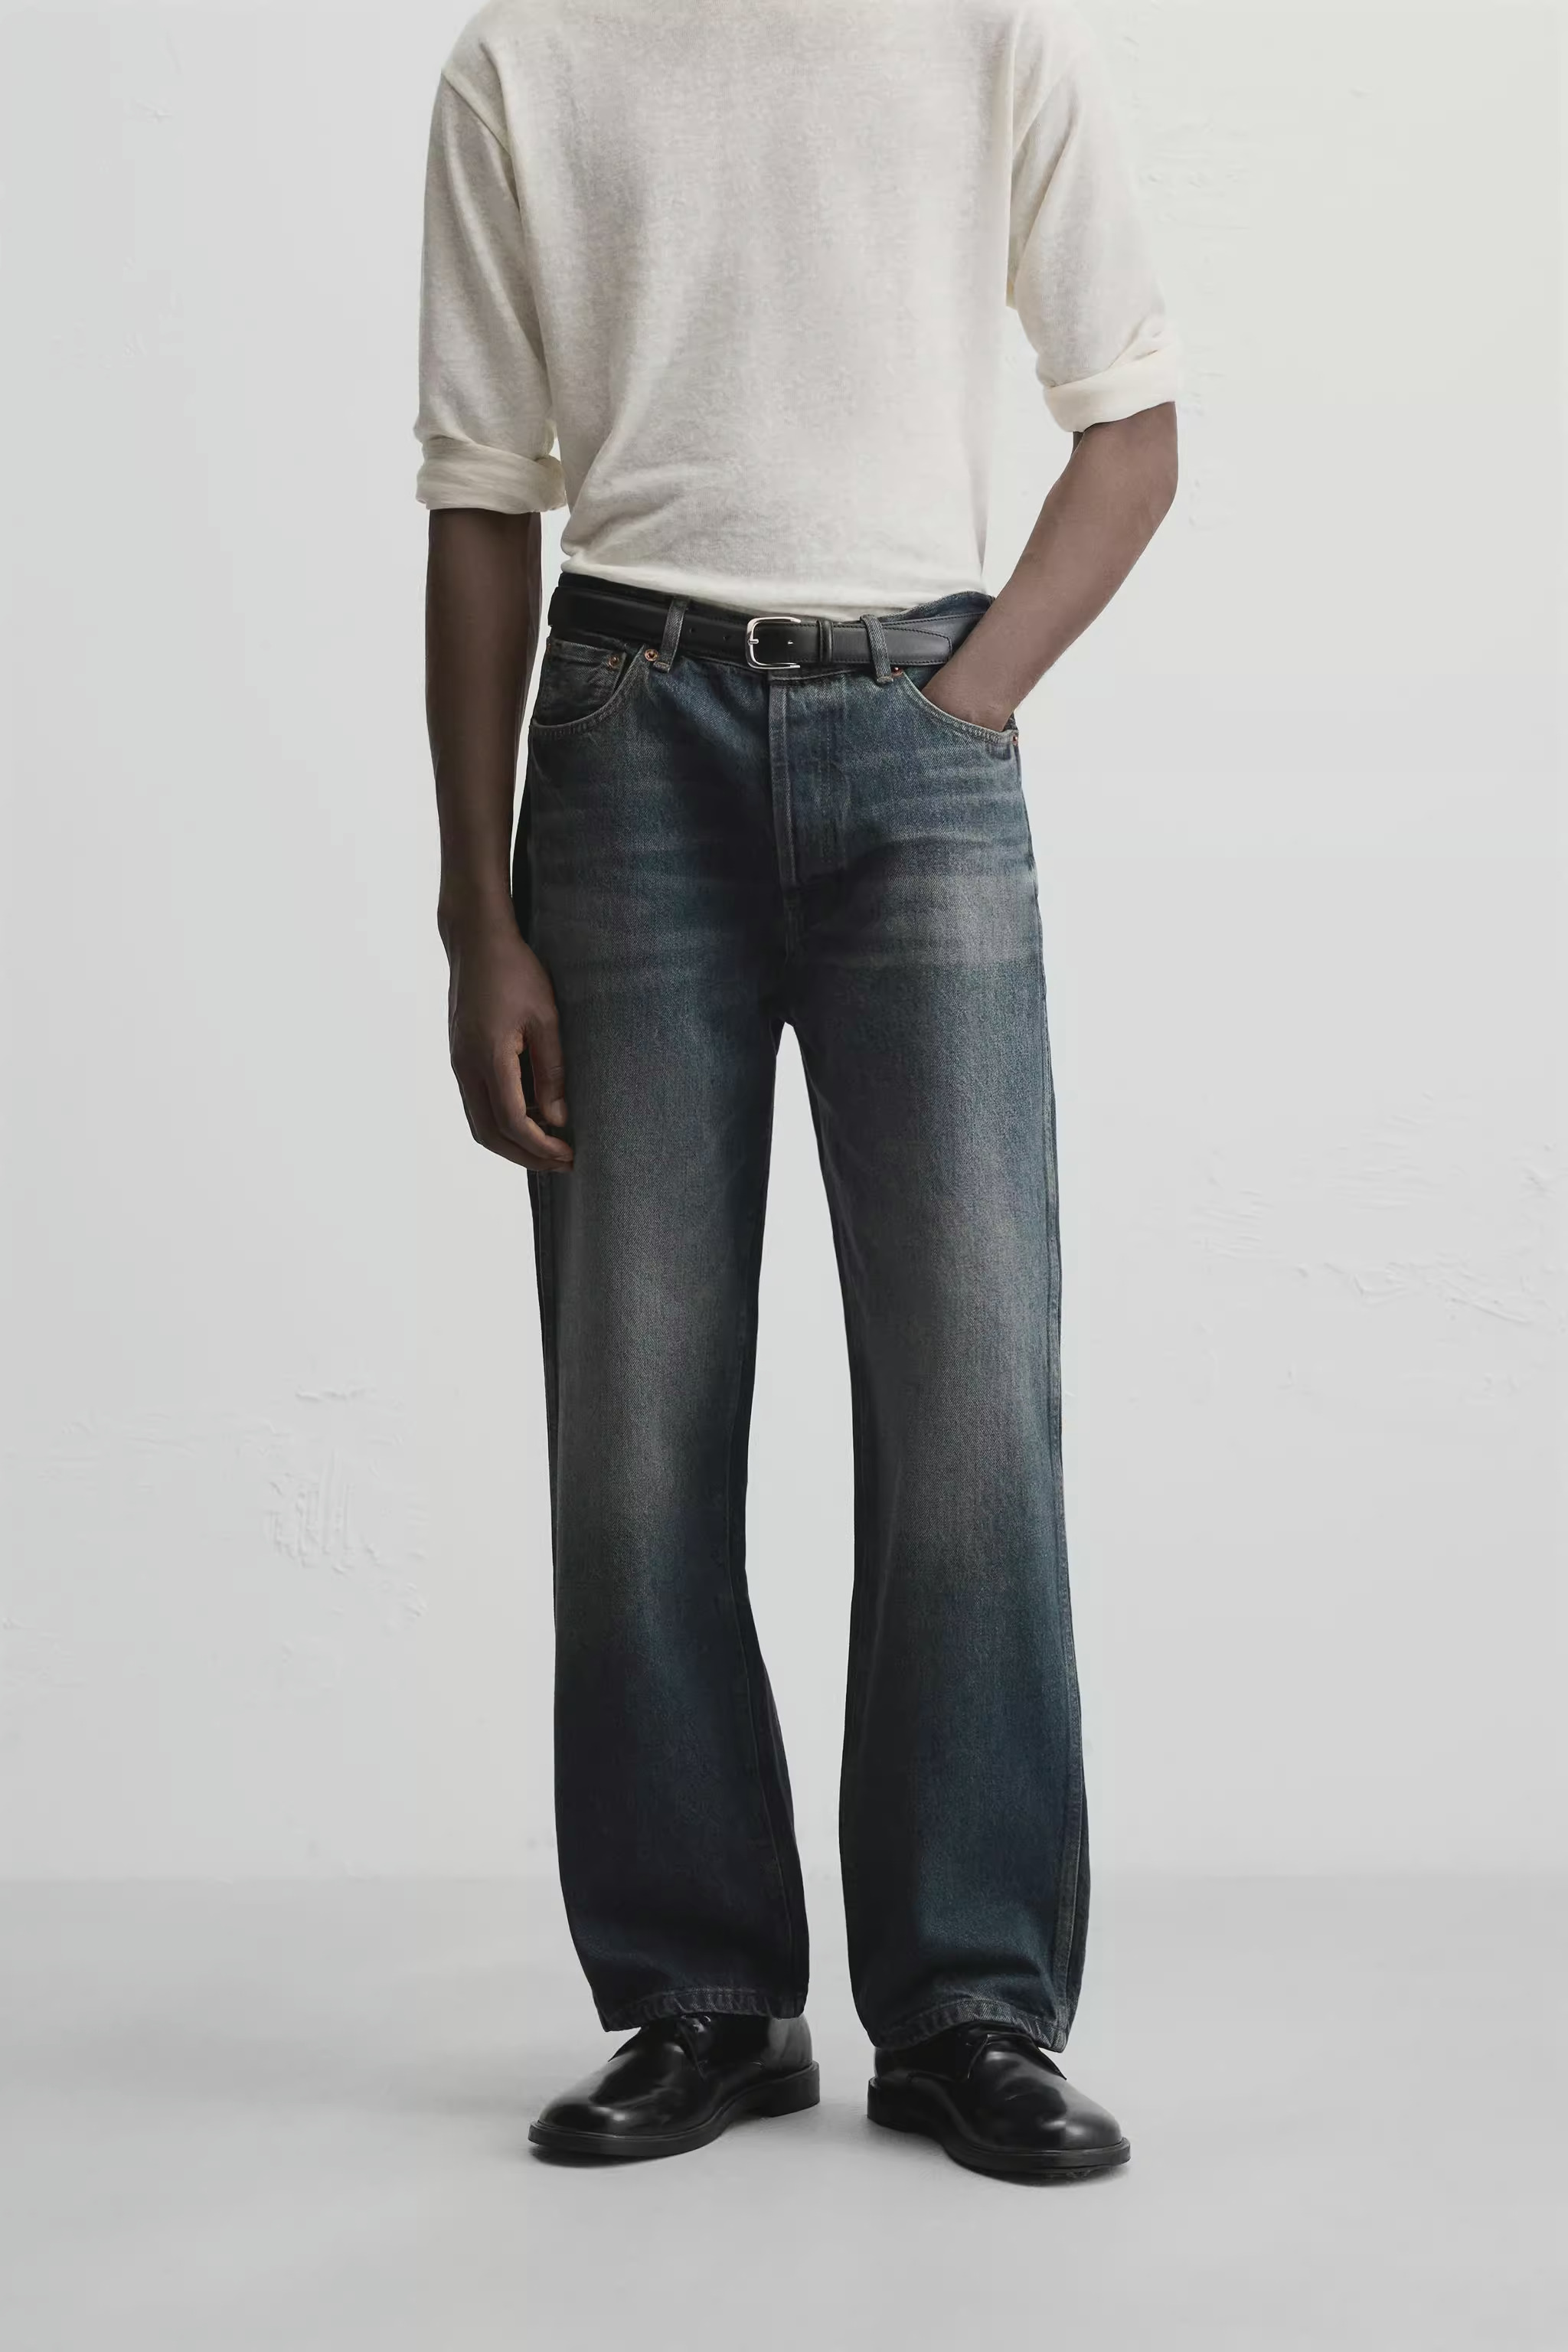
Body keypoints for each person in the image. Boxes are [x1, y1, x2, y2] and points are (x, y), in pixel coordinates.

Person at [416, 0, 1179, 2180]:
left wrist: (968, 703)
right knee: (633, 1411)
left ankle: (970, 2004)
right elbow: (480, 501)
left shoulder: (990, 33)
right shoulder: (524, 65)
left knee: (971, 1398)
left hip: (916, 746)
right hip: (622, 741)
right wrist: (477, 915)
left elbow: (1132, 430)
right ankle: (702, 1995)